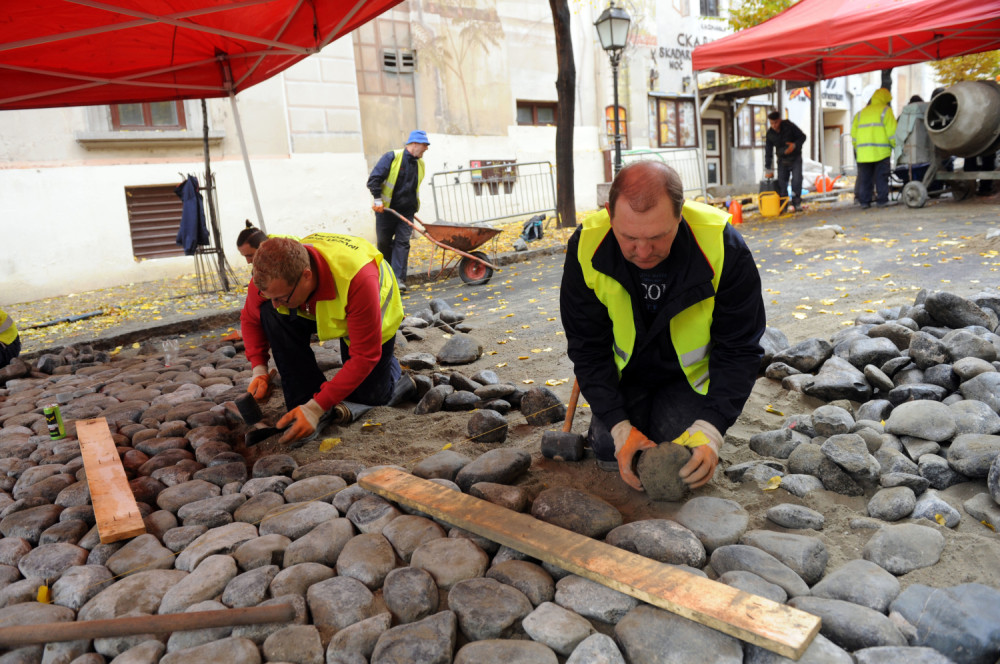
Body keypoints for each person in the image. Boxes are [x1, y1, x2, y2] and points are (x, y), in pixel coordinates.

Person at [560, 161, 766, 492]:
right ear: (610, 212)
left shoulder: (722, 246)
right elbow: (587, 347)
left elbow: (740, 347)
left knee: (683, 454)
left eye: (658, 237)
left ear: (680, 214)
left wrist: (712, 427)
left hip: (687, 378)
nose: (643, 252)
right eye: (629, 237)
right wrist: (618, 425)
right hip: (626, 374)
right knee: (606, 447)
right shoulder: (587, 246)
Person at [250, 233, 405, 445]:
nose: (277, 303)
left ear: (306, 276)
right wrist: (259, 370)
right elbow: (250, 316)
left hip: (373, 317)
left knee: (369, 396)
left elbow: (364, 357)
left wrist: (316, 407)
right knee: (269, 313)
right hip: (316, 305)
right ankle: (303, 401)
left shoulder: (358, 279)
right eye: (272, 296)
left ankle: (391, 368)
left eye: (282, 298)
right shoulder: (271, 273)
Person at [367, 130, 431, 292]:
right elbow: (374, 179)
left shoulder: (419, 163)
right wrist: (377, 200)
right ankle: (385, 278)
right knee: (384, 244)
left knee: (402, 243)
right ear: (414, 144)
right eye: (425, 145)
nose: (426, 149)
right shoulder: (392, 157)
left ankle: (398, 280)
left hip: (406, 211)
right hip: (386, 211)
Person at [851, 88, 897, 208]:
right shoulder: (886, 111)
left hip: (863, 153)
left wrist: (858, 149)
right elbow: (892, 133)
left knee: (865, 178)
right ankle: (882, 200)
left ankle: (864, 202)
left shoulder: (860, 113)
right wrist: (896, 146)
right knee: (881, 177)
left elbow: (853, 135)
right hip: (881, 151)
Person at [764, 111, 807, 212]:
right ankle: (783, 206)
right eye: (771, 123)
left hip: (795, 158)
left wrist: (794, 145)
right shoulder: (770, 134)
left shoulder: (789, 126)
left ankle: (797, 203)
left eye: (776, 123)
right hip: (782, 160)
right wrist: (768, 169)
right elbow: (768, 151)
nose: (774, 126)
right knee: (782, 184)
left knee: (797, 180)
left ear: (780, 120)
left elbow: (803, 137)